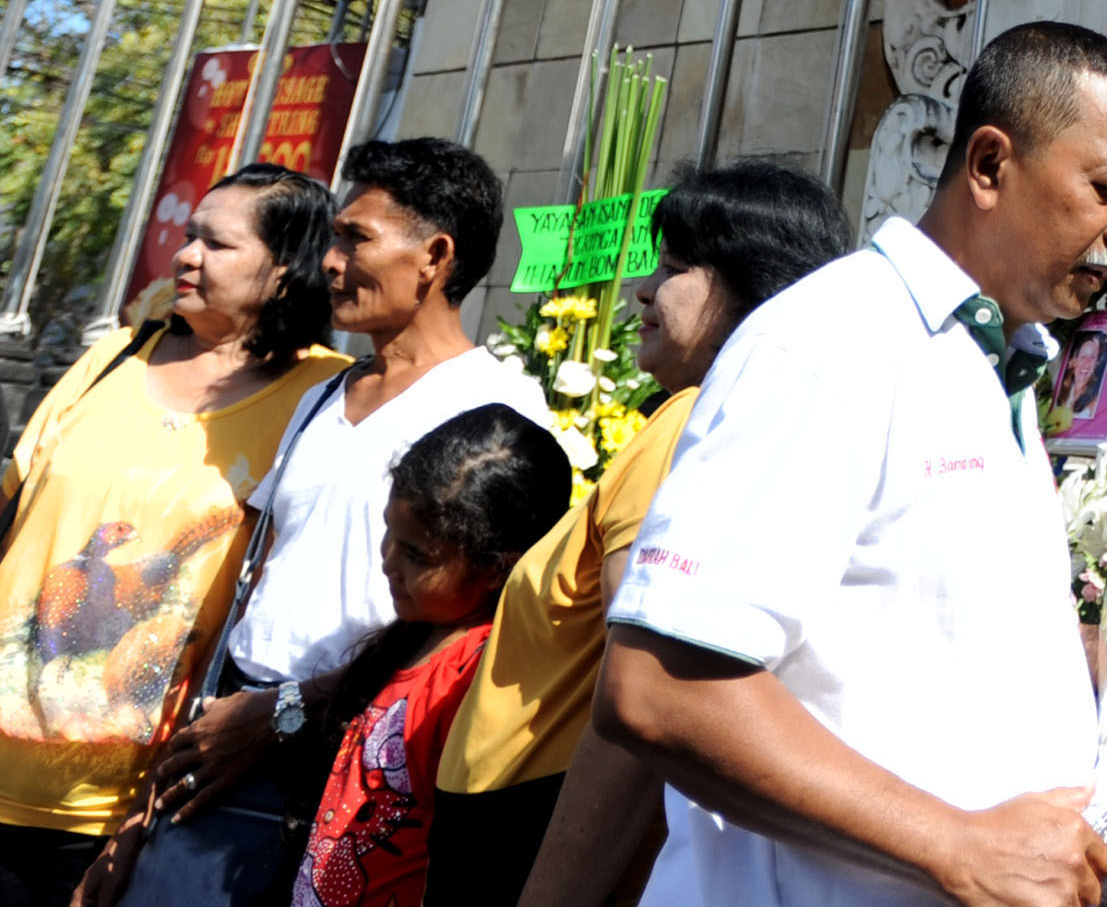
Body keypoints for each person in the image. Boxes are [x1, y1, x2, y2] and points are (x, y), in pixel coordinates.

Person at [598, 21, 1107, 907]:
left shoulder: (995, 364)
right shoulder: (833, 341)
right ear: (987, 165)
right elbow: (660, 687)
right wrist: (951, 844)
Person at [100, 138, 550, 905]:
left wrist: (290, 711)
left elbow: (480, 631)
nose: (331, 262)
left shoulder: (497, 417)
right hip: (227, 743)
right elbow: (255, 573)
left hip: (360, 763)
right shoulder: (323, 395)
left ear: (435, 256)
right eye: (334, 238)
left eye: (356, 238)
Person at [425, 161, 850, 907]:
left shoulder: (693, 426)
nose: (641, 290)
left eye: (675, 268)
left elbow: (646, 693)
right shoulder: (688, 417)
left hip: (541, 830)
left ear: (759, 291)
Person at [0, 167, 348, 907]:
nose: (186, 256)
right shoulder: (114, 359)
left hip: (119, 800)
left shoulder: (323, 397)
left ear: (286, 270)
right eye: (189, 236)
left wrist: (140, 817)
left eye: (217, 244)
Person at [289, 407, 568, 907]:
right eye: (389, 533)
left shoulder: (475, 680)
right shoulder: (412, 642)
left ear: (496, 569)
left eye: (418, 555)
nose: (387, 561)